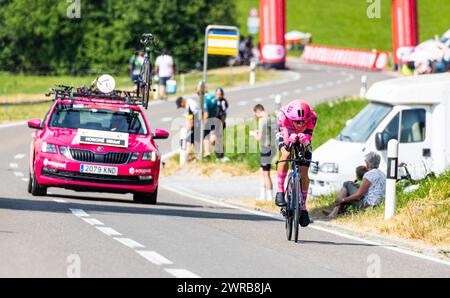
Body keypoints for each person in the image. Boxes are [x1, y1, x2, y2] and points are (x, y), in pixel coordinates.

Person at [275, 100, 318, 228]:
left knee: (304, 170)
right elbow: (286, 142)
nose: (300, 124)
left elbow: (308, 141)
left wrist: (305, 141)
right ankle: (280, 191)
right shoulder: (282, 116)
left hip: (303, 135)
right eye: (298, 122)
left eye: (303, 121)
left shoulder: (313, 117)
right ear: (292, 118)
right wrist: (289, 142)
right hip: (286, 130)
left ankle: (303, 206)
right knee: (286, 154)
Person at [251, 104, 278, 202]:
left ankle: (269, 197)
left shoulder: (262, 120)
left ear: (258, 111)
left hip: (266, 149)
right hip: (272, 147)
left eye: (256, 114)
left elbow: (260, 138)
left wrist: (254, 134)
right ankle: (262, 195)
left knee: (266, 174)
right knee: (262, 172)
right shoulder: (271, 117)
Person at [176, 96, 201, 161]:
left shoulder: (191, 104)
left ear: (182, 101)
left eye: (181, 105)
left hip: (196, 124)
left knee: (191, 140)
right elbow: (188, 116)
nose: (181, 107)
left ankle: (192, 156)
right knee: (192, 140)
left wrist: (191, 123)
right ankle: (195, 156)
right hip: (194, 125)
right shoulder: (188, 104)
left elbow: (195, 114)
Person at [203, 93, 220, 160]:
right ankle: (217, 150)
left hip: (209, 120)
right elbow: (218, 109)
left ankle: (207, 154)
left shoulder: (206, 100)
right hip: (215, 119)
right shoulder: (213, 96)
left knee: (205, 137)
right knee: (212, 137)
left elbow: (206, 114)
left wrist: (204, 123)